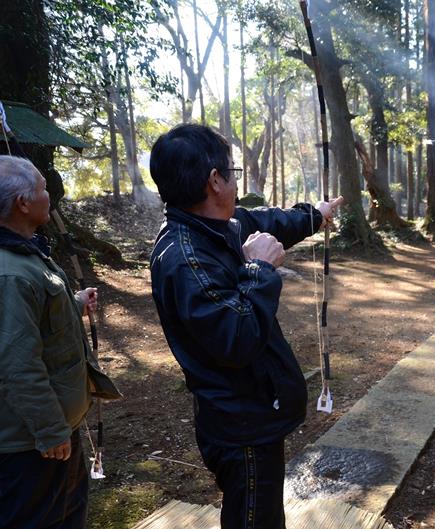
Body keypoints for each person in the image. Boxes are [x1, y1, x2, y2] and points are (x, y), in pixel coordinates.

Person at [148, 124, 342, 529]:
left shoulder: (220, 223)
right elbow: (236, 339)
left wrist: (314, 215)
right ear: (215, 180)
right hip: (240, 426)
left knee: (261, 514)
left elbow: (268, 221)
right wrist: (259, 270)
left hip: (253, 410)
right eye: (231, 172)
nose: (235, 181)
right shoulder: (185, 258)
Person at [0, 155, 121, 529]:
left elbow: (34, 320)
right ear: (22, 203)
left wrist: (73, 303)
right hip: (32, 445)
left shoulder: (25, 255)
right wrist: (51, 431)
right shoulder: (10, 273)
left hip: (54, 433)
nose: (48, 193)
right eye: (41, 187)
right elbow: (17, 363)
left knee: (69, 517)